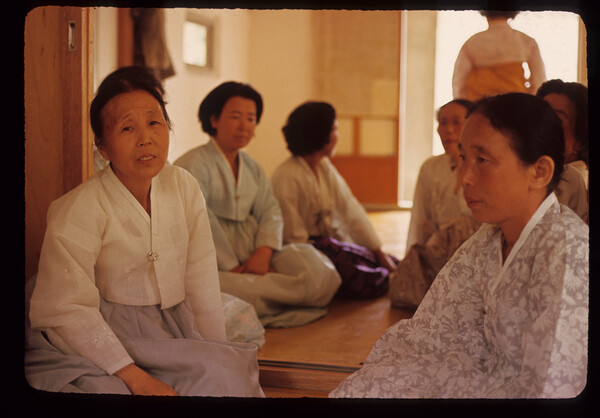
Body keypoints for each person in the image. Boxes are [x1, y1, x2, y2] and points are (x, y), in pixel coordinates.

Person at [25, 66, 264, 397]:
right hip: (99, 331)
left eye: (155, 122)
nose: (146, 138)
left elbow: (200, 277)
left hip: (170, 326)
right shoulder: (77, 208)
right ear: (102, 146)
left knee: (225, 375)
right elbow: (67, 309)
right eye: (127, 128)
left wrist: (214, 349)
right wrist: (134, 377)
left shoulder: (183, 186)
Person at [330, 93, 588, 398]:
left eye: (483, 160)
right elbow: (430, 331)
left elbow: (552, 383)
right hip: (480, 382)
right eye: (463, 157)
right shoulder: (486, 240)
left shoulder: (568, 249)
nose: (465, 176)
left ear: (539, 171)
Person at [174, 83, 341, 328]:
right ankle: (280, 298)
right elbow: (198, 221)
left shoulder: (252, 167)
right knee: (211, 289)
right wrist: (231, 265)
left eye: (251, 119)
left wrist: (263, 253)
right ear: (214, 119)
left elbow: (270, 211)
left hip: (257, 256)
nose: (244, 126)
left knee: (319, 271)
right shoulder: (193, 164)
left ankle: (266, 299)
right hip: (217, 266)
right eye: (235, 117)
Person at [271, 101, 397, 299]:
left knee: (385, 261)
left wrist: (379, 253)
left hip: (328, 244)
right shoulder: (286, 176)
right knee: (364, 273)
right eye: (335, 129)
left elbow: (351, 210)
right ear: (321, 134)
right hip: (303, 251)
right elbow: (293, 237)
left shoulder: (324, 167)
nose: (338, 136)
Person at [406, 99, 475, 250]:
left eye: (456, 122)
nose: (448, 130)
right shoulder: (430, 168)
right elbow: (419, 219)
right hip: (439, 254)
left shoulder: (485, 168)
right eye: (443, 123)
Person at [452, 11, 546, 102]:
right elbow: (539, 81)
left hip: (480, 105)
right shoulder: (525, 41)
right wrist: (531, 105)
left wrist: (465, 109)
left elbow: (459, 82)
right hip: (515, 103)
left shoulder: (473, 42)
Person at [537, 79, 589, 191]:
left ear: (580, 142)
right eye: (539, 117)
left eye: (556, 121)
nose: (541, 126)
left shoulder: (569, 182)